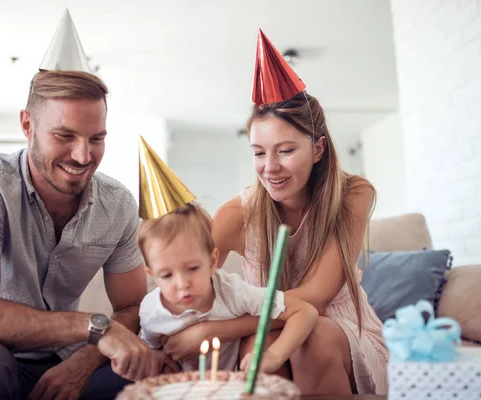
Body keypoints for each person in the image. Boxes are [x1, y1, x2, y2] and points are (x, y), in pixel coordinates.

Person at [158, 30, 388, 395]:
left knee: (312, 339)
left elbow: (316, 298)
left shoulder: (352, 195)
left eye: (285, 150)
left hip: (336, 328)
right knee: (257, 350)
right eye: (259, 152)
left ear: (317, 149)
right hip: (264, 328)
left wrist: (213, 330)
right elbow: (179, 277)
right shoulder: (238, 212)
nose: (270, 168)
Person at [0, 68, 164, 399]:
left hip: (61, 358)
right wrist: (93, 328)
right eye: (65, 136)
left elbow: (133, 306)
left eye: (96, 138)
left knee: (142, 381)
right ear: (28, 126)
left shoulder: (118, 205)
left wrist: (82, 362)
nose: (83, 156)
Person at [137, 202, 318, 374]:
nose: (183, 284)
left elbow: (304, 312)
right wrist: (156, 356)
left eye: (192, 268)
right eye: (166, 275)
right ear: (152, 275)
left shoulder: (233, 292)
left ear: (212, 261)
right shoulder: (150, 311)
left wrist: (273, 356)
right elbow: (147, 348)